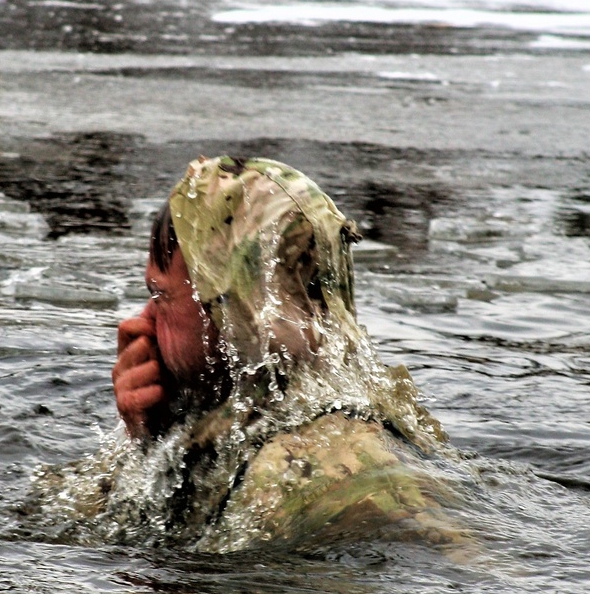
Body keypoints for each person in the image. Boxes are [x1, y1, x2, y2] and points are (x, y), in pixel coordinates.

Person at [31, 155, 462, 552]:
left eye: (159, 295)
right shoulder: (248, 426)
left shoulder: (314, 473)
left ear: (235, 310)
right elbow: (63, 512)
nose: (138, 324)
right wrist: (147, 440)